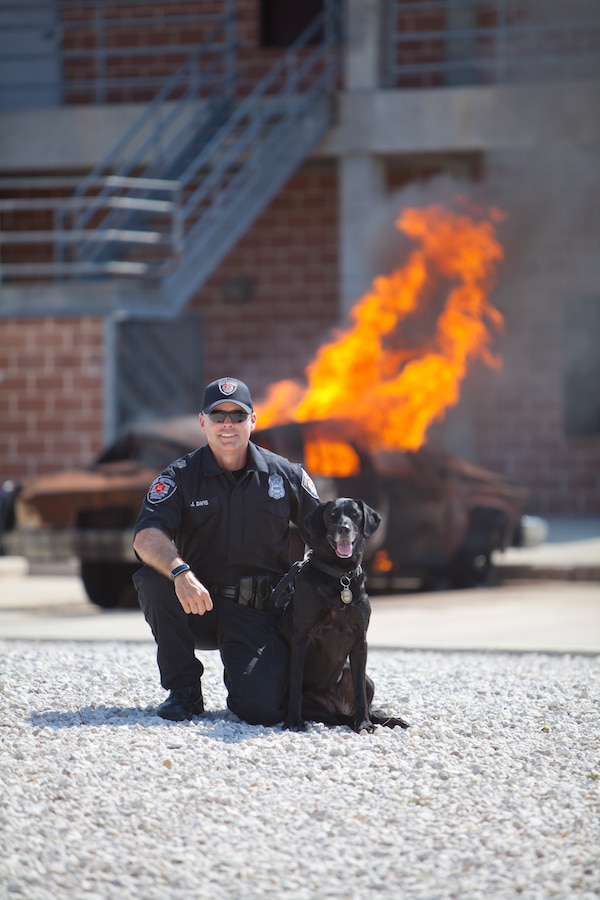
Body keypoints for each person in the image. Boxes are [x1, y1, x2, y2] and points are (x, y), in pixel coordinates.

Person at [132, 376, 320, 726]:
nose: (228, 425)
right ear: (203, 422)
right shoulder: (181, 477)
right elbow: (146, 536)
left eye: (237, 415)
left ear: (253, 421)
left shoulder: (285, 475)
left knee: (260, 710)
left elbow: (321, 530)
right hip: (200, 605)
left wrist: (308, 576)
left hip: (259, 613)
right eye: (218, 416)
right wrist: (180, 572)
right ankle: (184, 690)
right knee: (153, 578)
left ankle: (245, 674)